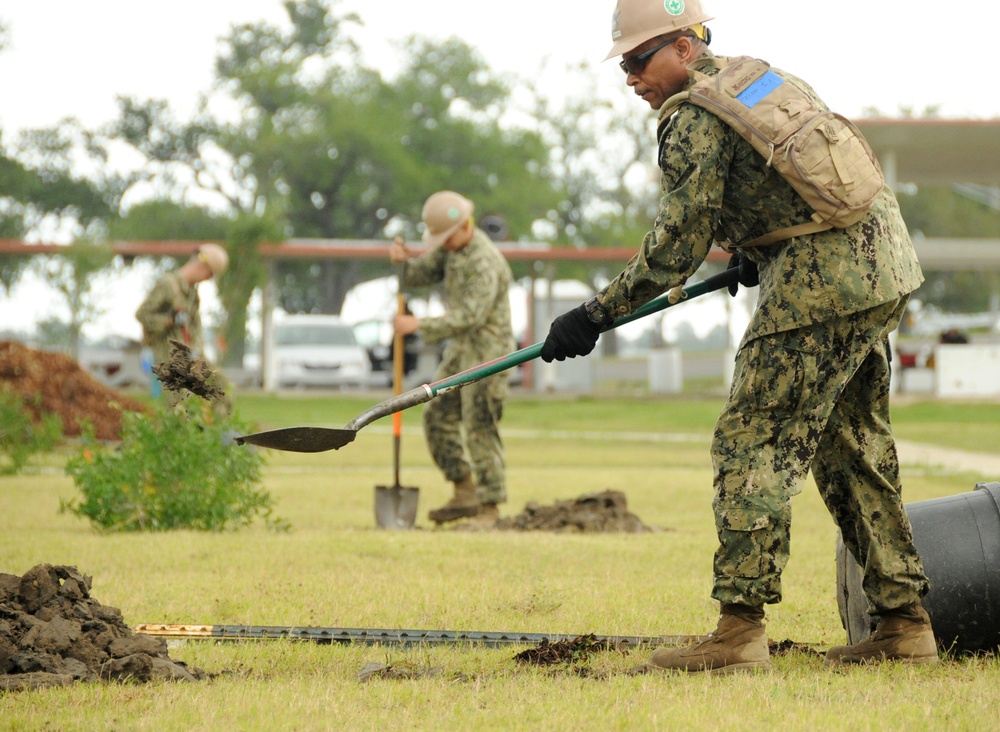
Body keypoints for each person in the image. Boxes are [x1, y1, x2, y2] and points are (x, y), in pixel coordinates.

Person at [541, 0, 936, 672]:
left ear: (685, 48)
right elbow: (797, 180)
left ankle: (738, 632)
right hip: (882, 262)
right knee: (849, 445)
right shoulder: (759, 80)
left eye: (639, 61)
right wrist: (757, 244)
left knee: (752, 439)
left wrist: (594, 316)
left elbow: (675, 247)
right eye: (627, 65)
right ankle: (904, 625)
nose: (632, 79)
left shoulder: (693, 116)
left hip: (823, 282)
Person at [390, 191, 515, 527]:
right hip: (462, 351)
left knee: (479, 425)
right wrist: (403, 262)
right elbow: (418, 273)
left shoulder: (483, 261)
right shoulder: (452, 250)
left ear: (465, 226)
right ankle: (465, 491)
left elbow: (470, 315)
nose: (442, 245)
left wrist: (419, 324)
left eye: (446, 238)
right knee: (437, 416)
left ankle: (489, 508)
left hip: (490, 355)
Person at [135, 242, 231, 413]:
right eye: (209, 274)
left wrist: (198, 353)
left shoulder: (192, 294)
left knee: (220, 384)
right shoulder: (168, 285)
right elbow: (143, 314)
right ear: (202, 265)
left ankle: (217, 433)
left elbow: (196, 329)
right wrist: (169, 320)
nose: (208, 279)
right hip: (169, 355)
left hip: (191, 355)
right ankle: (177, 437)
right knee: (179, 406)